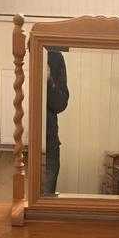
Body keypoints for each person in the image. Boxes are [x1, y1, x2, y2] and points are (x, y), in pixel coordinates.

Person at [44, 48, 69, 195]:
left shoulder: (54, 57)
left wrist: (49, 79)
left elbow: (60, 104)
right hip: (22, 146)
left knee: (45, 199)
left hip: (49, 142)